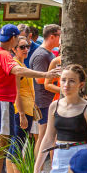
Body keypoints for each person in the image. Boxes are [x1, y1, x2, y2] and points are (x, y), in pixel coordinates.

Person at [0, 24, 59, 173]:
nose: (25, 48)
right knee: (1, 144)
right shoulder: (4, 55)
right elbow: (17, 71)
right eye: (21, 43)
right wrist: (45, 74)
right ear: (13, 39)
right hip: (1, 101)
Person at [32, 64, 87, 173]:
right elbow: (48, 138)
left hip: (80, 159)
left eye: (72, 81)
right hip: (59, 159)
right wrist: (37, 169)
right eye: (63, 80)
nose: (66, 84)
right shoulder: (54, 106)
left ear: (81, 84)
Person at [7, 36, 37, 173]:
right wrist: (22, 114)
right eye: (22, 47)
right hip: (21, 110)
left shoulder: (22, 65)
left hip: (28, 108)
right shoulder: (16, 66)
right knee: (18, 143)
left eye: (27, 46)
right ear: (14, 49)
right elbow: (16, 92)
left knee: (16, 143)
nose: (26, 49)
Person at [31, 24, 61, 162]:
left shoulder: (48, 53)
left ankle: (42, 168)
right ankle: (38, 168)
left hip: (49, 99)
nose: (61, 39)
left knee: (49, 136)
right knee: (43, 135)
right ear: (52, 36)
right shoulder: (41, 54)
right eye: (59, 35)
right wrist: (57, 76)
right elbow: (39, 79)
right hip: (43, 99)